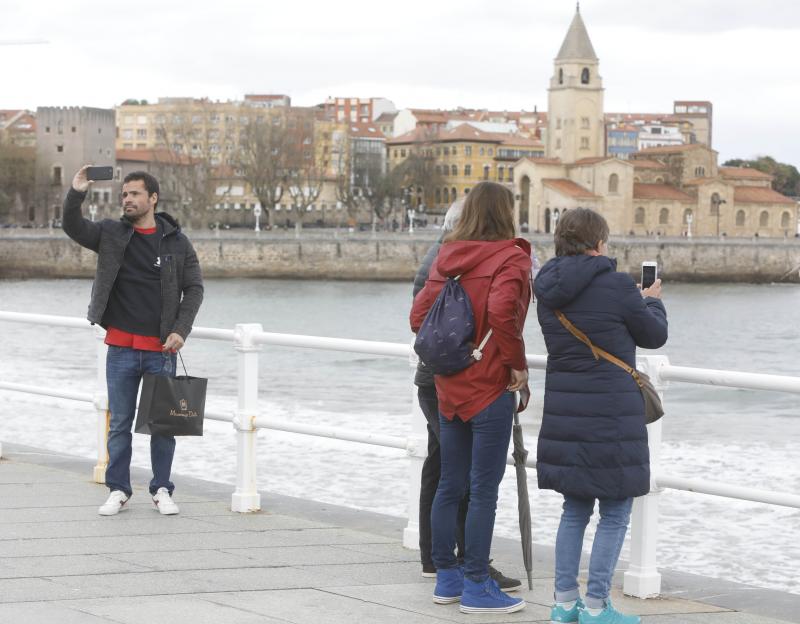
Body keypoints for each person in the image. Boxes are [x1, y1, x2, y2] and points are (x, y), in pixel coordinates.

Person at [532, 208, 667, 624]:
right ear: (598, 242)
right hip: (611, 414)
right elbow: (653, 336)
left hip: (565, 412)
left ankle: (564, 604)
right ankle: (596, 608)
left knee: (574, 510)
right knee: (615, 510)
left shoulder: (546, 289)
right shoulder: (618, 285)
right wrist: (654, 304)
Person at [410, 181, 531, 615]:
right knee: (483, 491)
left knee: (450, 483)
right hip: (489, 386)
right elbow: (502, 314)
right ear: (505, 213)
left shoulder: (448, 257)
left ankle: (448, 577)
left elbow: (418, 318)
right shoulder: (510, 258)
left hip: (448, 388)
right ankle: (478, 585)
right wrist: (517, 363)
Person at [62, 166, 204, 517]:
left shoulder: (176, 241)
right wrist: (77, 191)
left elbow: (194, 288)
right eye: (124, 194)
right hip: (121, 348)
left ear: (152, 198)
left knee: (163, 427)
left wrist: (181, 330)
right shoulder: (111, 234)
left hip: (161, 350)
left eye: (135, 194)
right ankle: (118, 489)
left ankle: (161, 489)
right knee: (120, 423)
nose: (127, 199)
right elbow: (72, 226)